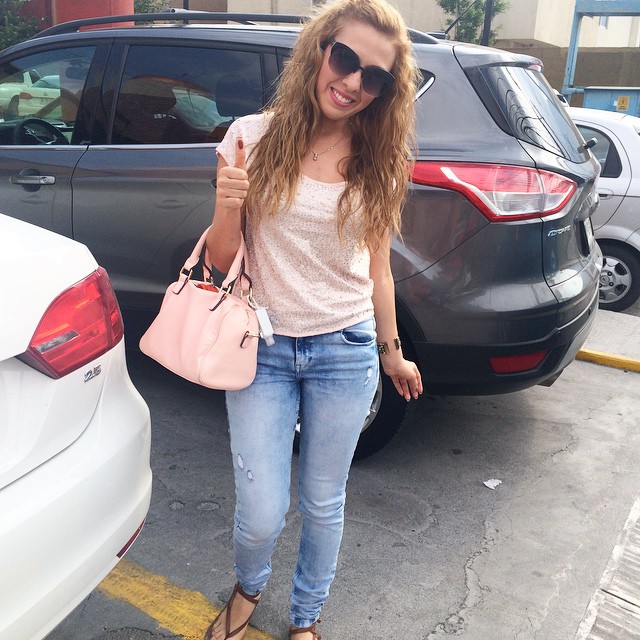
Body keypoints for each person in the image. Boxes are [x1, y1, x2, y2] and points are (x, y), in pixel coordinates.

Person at [204, 1, 423, 638]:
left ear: (385, 91)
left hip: (345, 349)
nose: (352, 82)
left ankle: (305, 618)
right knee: (261, 511)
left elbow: (379, 270)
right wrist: (226, 206)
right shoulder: (251, 137)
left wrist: (392, 351)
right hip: (261, 349)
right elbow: (220, 261)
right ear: (320, 49)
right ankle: (248, 589)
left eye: (373, 77)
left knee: (324, 503)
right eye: (345, 58)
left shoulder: (380, 160)